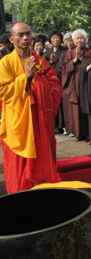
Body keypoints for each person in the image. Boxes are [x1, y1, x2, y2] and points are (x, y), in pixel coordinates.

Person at [0, 22, 62, 193]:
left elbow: (55, 85)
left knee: (41, 161)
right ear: (11, 39)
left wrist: (38, 83)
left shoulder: (40, 62)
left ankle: (43, 196)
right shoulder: (5, 63)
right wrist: (25, 79)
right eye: (20, 35)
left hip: (39, 122)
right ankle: (19, 198)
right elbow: (2, 91)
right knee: (18, 166)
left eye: (28, 34)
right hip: (18, 124)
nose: (26, 38)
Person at [60, 29, 91, 140]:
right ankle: (77, 132)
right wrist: (74, 60)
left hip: (86, 85)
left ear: (85, 39)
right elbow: (63, 69)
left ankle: (88, 132)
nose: (79, 40)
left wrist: (82, 59)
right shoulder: (67, 54)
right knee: (75, 110)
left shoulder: (89, 52)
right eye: (77, 38)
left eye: (81, 38)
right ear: (73, 40)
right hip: (73, 85)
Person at [43, 31, 67, 134]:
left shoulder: (64, 51)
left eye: (57, 38)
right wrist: (51, 62)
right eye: (53, 38)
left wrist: (57, 62)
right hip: (50, 82)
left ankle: (64, 125)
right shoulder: (47, 52)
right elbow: (43, 66)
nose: (55, 40)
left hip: (61, 80)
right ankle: (55, 125)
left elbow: (65, 65)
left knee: (62, 103)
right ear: (50, 40)